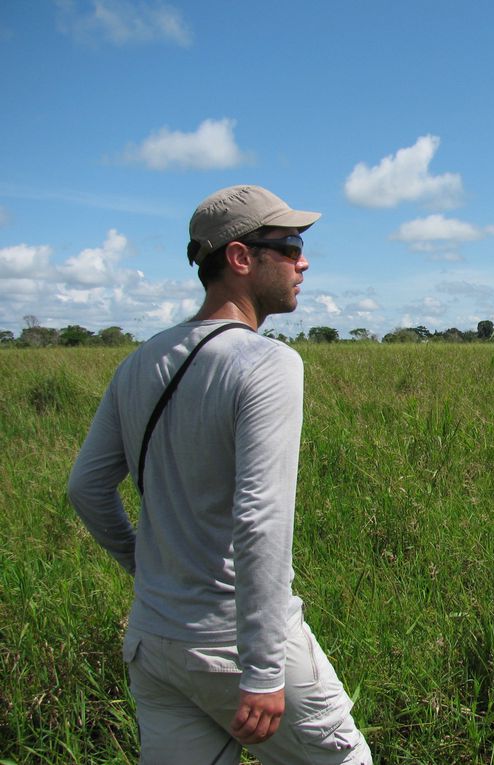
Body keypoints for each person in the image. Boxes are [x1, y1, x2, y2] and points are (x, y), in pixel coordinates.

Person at [68, 185, 372, 764]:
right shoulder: (267, 363)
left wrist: (146, 567)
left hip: (155, 646)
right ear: (239, 258)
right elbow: (261, 520)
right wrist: (262, 670)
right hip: (236, 648)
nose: (302, 261)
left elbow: (85, 488)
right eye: (288, 245)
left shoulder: (137, 363)